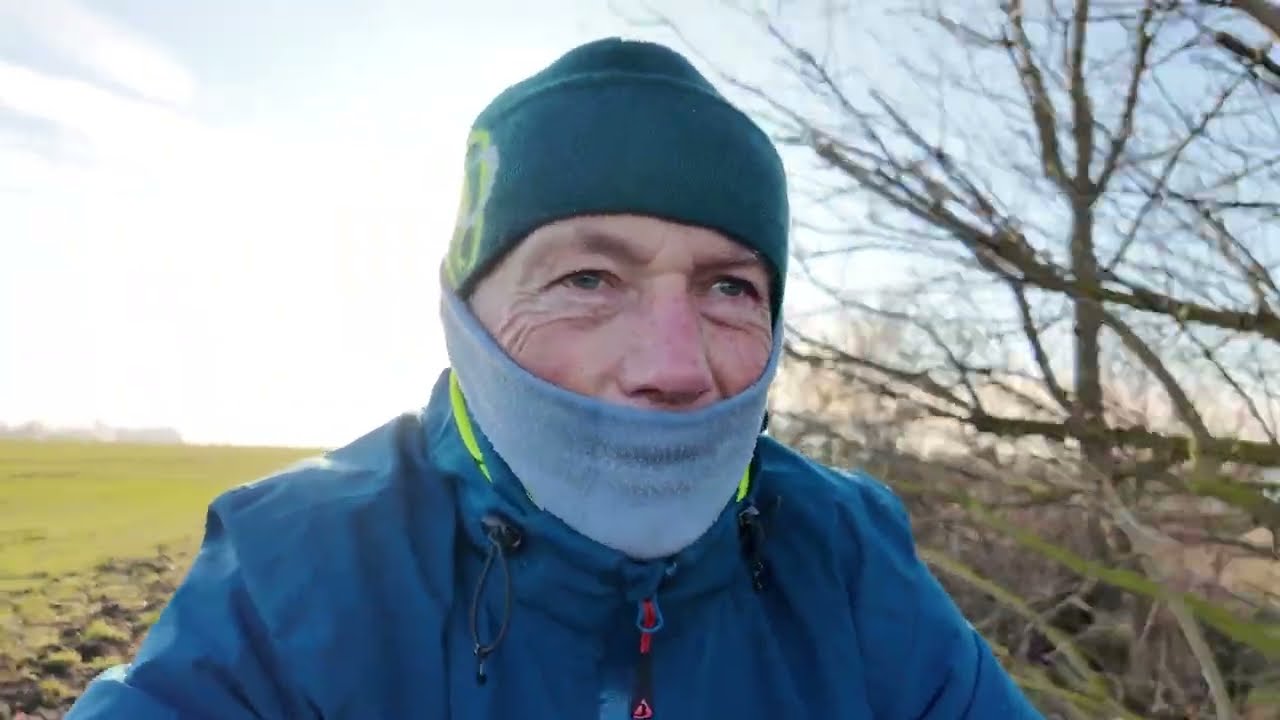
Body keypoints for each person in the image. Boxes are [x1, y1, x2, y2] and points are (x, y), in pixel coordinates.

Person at [66, 37, 1043, 719]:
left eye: (730, 288)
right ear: (466, 312)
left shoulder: (846, 556)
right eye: (587, 278)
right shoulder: (299, 569)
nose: (673, 367)